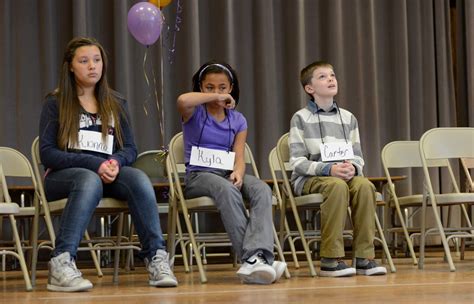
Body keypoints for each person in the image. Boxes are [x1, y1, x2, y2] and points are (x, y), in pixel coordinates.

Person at [38, 37, 178, 292]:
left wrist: (115, 161)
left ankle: (156, 257)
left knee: (137, 178)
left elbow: (130, 148)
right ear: (70, 66)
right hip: (64, 177)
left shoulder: (116, 103)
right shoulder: (55, 102)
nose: (92, 66)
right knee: (88, 178)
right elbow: (47, 154)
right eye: (84, 61)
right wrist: (94, 164)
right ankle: (61, 263)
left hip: (107, 175)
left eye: (97, 60)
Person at [176, 61, 287, 284]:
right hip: (199, 175)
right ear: (201, 87)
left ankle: (258, 257)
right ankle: (254, 258)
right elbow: (182, 100)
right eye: (210, 87)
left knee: (261, 189)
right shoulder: (194, 112)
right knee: (226, 189)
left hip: (227, 172)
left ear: (231, 88)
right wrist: (213, 97)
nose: (217, 92)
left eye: (222, 87)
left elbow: (239, 156)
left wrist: (238, 171)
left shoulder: (238, 120)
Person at [289, 61, 387, 277]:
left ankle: (364, 257)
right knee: (336, 186)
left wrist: (353, 168)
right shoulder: (300, 118)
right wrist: (328, 170)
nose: (331, 79)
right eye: (322, 77)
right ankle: (330, 259)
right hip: (311, 178)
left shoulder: (348, 117)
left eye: (332, 75)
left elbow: (358, 156)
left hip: (343, 175)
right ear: (309, 88)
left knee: (364, 186)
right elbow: (297, 162)